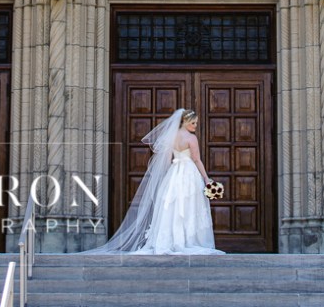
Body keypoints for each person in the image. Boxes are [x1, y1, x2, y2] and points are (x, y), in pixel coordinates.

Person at [85, 108, 224, 255]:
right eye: (193, 123)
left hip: (174, 172)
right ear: (185, 122)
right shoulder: (191, 138)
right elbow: (196, 159)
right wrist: (206, 178)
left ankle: (172, 240)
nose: (195, 126)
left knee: (173, 205)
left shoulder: (171, 137)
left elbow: (167, 158)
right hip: (188, 172)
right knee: (188, 204)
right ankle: (187, 240)